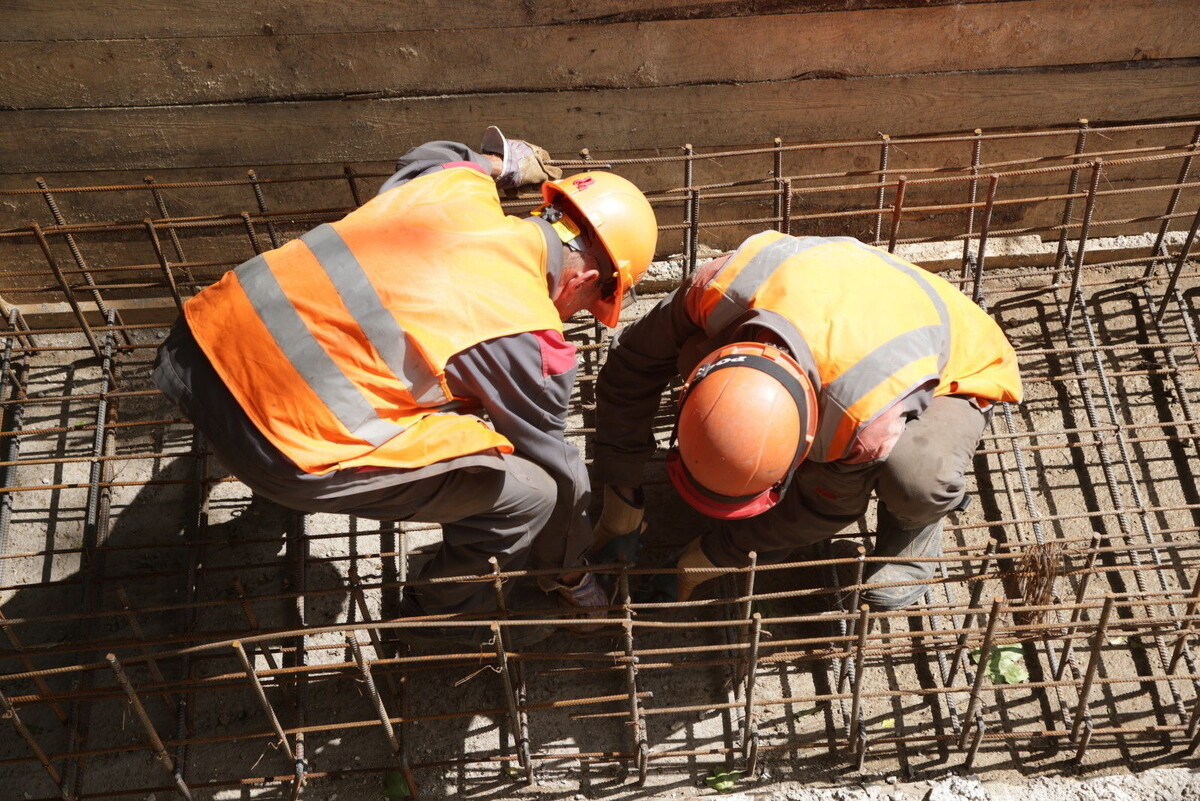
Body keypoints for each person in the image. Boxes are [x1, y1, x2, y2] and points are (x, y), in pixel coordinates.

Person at [152, 128, 658, 643]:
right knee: (531, 494)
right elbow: (561, 473)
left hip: (195, 346)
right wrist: (572, 574)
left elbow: (438, 156)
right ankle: (440, 622)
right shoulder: (532, 337)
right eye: (587, 307)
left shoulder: (454, 189)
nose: (574, 318)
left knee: (442, 393)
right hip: (277, 445)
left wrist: (501, 164)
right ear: (580, 282)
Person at [590, 230, 1022, 610]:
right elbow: (631, 366)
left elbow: (821, 509)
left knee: (915, 477)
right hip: (838, 287)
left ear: (806, 436)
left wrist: (710, 557)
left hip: (954, 351)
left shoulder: (862, 419)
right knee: (685, 349)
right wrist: (620, 493)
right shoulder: (720, 287)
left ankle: (916, 529)